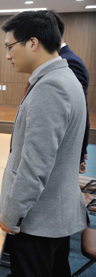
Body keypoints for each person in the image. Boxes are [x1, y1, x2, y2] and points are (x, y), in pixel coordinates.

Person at [0, 11, 87, 277]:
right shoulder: (64, 76)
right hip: (54, 212)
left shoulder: (51, 87)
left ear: (33, 43)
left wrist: (11, 215)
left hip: (39, 219)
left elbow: (35, 164)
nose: (8, 55)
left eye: (10, 46)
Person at [47, 11, 90, 173]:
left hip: (63, 148)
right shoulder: (58, 59)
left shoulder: (69, 62)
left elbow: (80, 109)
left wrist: (80, 152)